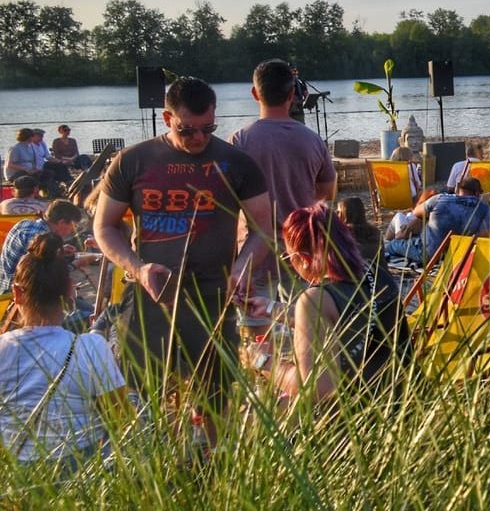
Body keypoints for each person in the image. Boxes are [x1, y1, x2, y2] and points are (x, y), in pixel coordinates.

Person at [93, 76, 273, 430]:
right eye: (188, 130)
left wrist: (241, 268)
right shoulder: (133, 161)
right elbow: (104, 227)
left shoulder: (237, 163)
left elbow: (263, 229)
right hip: (149, 297)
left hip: (211, 296)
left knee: (214, 399)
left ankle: (210, 469)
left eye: (209, 128)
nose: (200, 139)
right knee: (142, 399)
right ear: (166, 119)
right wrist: (138, 267)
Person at [246, 204, 410, 402]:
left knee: (273, 404)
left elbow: (315, 389)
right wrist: (272, 309)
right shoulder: (373, 271)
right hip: (406, 399)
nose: (290, 264)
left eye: (289, 258)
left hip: (361, 417)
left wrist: (263, 361)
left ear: (304, 259)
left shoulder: (314, 299)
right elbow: (342, 319)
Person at [0, 233, 126, 468]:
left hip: (18, 473)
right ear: (71, 292)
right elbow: (121, 420)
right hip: (80, 473)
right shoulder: (91, 348)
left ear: (17, 293)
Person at [230, 59, 338, 295]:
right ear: (293, 94)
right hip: (302, 251)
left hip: (254, 257)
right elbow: (328, 191)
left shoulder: (240, 141)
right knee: (304, 324)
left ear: (254, 93)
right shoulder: (313, 140)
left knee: (257, 328)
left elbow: (228, 196)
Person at [0, 199, 93, 296]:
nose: (71, 231)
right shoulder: (42, 238)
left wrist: (58, 250)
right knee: (85, 308)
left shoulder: (25, 223)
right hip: (17, 294)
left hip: (5, 285)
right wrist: (76, 264)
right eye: (72, 226)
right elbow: (47, 278)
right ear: (61, 222)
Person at [416, 177, 490, 264]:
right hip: (459, 258)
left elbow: (416, 212)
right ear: (477, 193)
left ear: (457, 190)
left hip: (429, 255)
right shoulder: (484, 208)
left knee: (396, 244)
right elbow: (484, 234)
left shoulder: (440, 198)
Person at [336, 196, 382, 262]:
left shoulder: (342, 236)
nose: (336, 215)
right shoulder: (376, 232)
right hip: (380, 271)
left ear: (344, 215)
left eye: (338, 212)